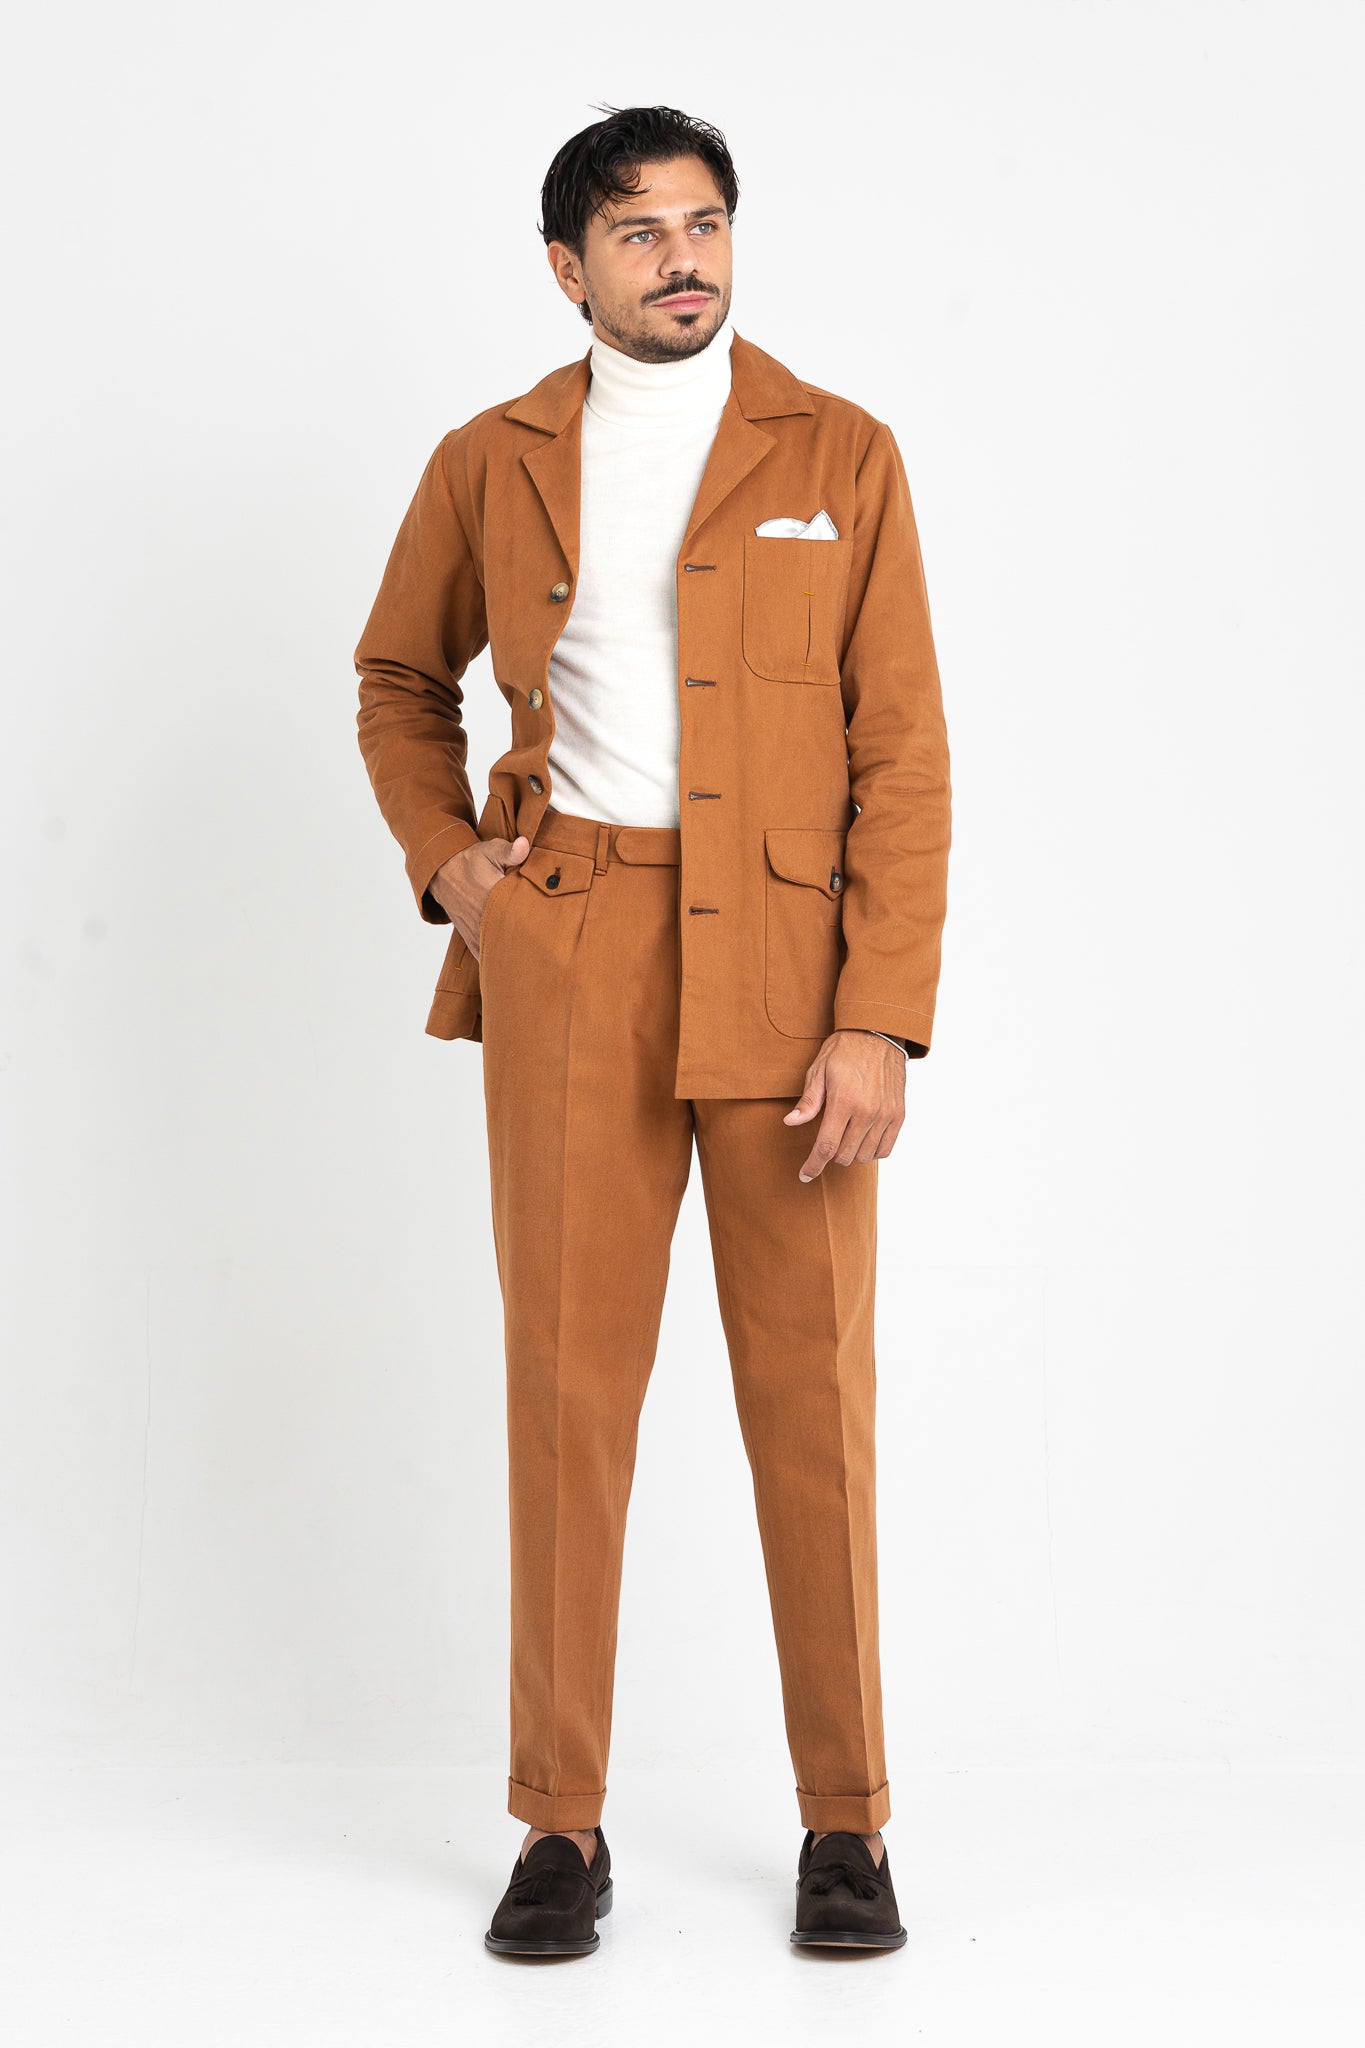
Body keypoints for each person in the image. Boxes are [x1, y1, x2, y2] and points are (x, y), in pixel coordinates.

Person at [353, 103, 952, 1955]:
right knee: (566, 1395)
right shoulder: (491, 459)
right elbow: (397, 677)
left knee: (812, 1400)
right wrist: (454, 869)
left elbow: (901, 757)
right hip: (574, 949)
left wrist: (880, 1020)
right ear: (569, 268)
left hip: (787, 976)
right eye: (638, 233)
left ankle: (846, 1824)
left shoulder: (838, 453)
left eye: (703, 224)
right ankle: (559, 1823)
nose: (682, 258)